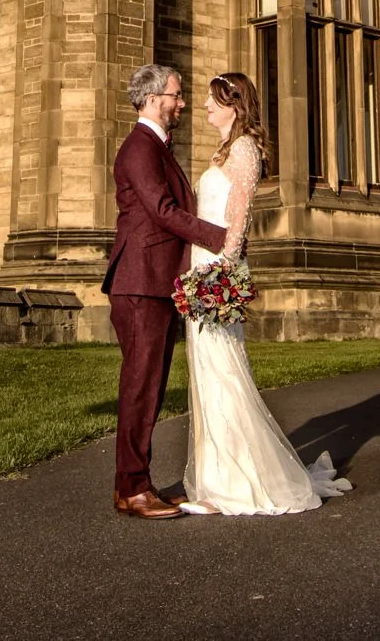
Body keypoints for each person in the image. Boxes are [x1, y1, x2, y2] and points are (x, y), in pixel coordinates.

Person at [178, 71, 352, 515]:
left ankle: (234, 485)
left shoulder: (243, 149)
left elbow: (238, 221)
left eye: (213, 101)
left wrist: (221, 276)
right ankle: (219, 478)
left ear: (235, 104)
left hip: (217, 269)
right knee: (207, 372)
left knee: (223, 372)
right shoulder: (225, 149)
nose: (205, 107)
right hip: (203, 265)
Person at [104, 62, 228, 519]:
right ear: (155, 98)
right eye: (177, 94)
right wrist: (218, 237)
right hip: (139, 282)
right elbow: (161, 209)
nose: (182, 102)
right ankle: (131, 489)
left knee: (150, 387)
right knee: (141, 386)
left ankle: (140, 484)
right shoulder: (140, 147)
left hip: (154, 281)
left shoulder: (156, 146)